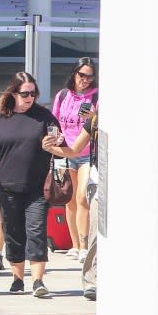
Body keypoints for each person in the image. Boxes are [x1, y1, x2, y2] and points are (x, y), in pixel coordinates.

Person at [0, 72, 60, 298]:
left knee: (36, 231)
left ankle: (38, 280)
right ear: (14, 93)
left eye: (33, 93)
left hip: (37, 187)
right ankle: (18, 279)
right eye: (25, 93)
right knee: (13, 233)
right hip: (7, 187)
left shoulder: (44, 116)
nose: (30, 97)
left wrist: (57, 141)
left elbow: (60, 139)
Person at [43, 104, 100, 300]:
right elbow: (75, 150)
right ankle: (91, 281)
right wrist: (51, 148)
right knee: (96, 234)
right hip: (100, 181)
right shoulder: (95, 121)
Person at [51, 57, 99, 262]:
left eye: (90, 76)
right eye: (82, 75)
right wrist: (55, 138)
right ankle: (75, 245)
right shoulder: (63, 95)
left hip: (86, 153)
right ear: (74, 73)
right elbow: (54, 121)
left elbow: (99, 124)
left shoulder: (96, 96)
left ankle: (84, 244)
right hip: (65, 152)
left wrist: (92, 117)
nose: (85, 80)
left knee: (82, 198)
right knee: (68, 200)